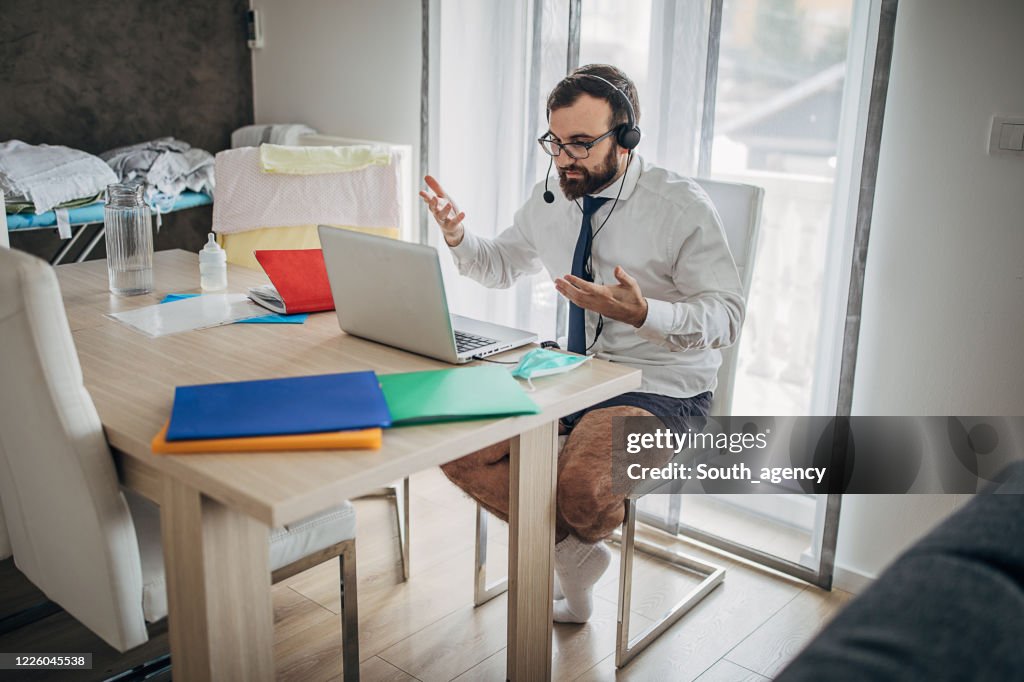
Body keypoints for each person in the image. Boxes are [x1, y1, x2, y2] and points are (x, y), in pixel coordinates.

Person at [419, 64, 745, 623]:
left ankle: (564, 550)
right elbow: (499, 265)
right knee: (455, 445)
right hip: (572, 371)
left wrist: (646, 312)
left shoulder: (680, 208)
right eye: (555, 141)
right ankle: (573, 559)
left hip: (661, 387)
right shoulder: (552, 195)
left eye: (580, 144)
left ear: (625, 139)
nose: (564, 158)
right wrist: (456, 235)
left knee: (582, 489)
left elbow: (729, 315)